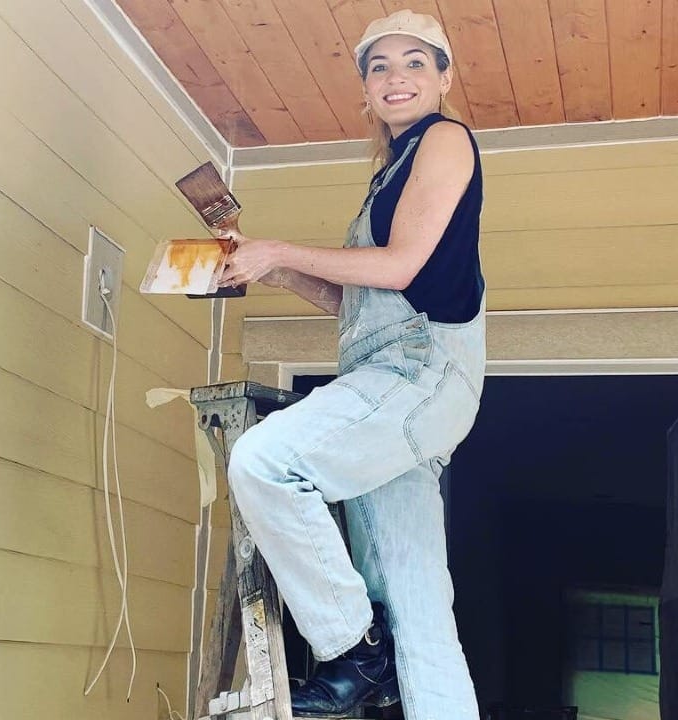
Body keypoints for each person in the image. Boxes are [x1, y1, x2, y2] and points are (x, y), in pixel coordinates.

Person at [216, 9, 486, 720]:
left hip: (418, 372)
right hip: (397, 384)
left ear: (444, 78)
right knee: (418, 610)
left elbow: (399, 267)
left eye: (415, 63)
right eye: (379, 67)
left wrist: (279, 248)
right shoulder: (388, 172)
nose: (396, 77)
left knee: (265, 460)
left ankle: (353, 650)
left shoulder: (444, 139)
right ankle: (389, 665)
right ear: (365, 88)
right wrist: (272, 270)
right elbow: (356, 301)